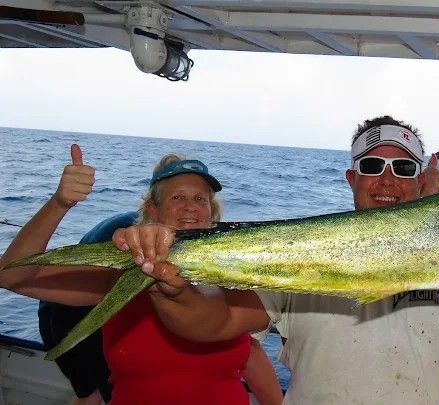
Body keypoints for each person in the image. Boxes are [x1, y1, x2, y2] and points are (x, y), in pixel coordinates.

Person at [112, 115, 439, 404]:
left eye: (403, 168)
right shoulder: (305, 255)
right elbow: (210, 323)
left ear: (422, 179)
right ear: (352, 177)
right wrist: (168, 286)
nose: (386, 180)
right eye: (371, 167)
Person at [0, 146, 283, 405]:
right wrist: (59, 203)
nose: (190, 206)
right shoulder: (124, 273)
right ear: (152, 209)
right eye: (177, 197)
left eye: (200, 198)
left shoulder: (228, 276)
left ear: (211, 211)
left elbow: (250, 353)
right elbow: (13, 275)